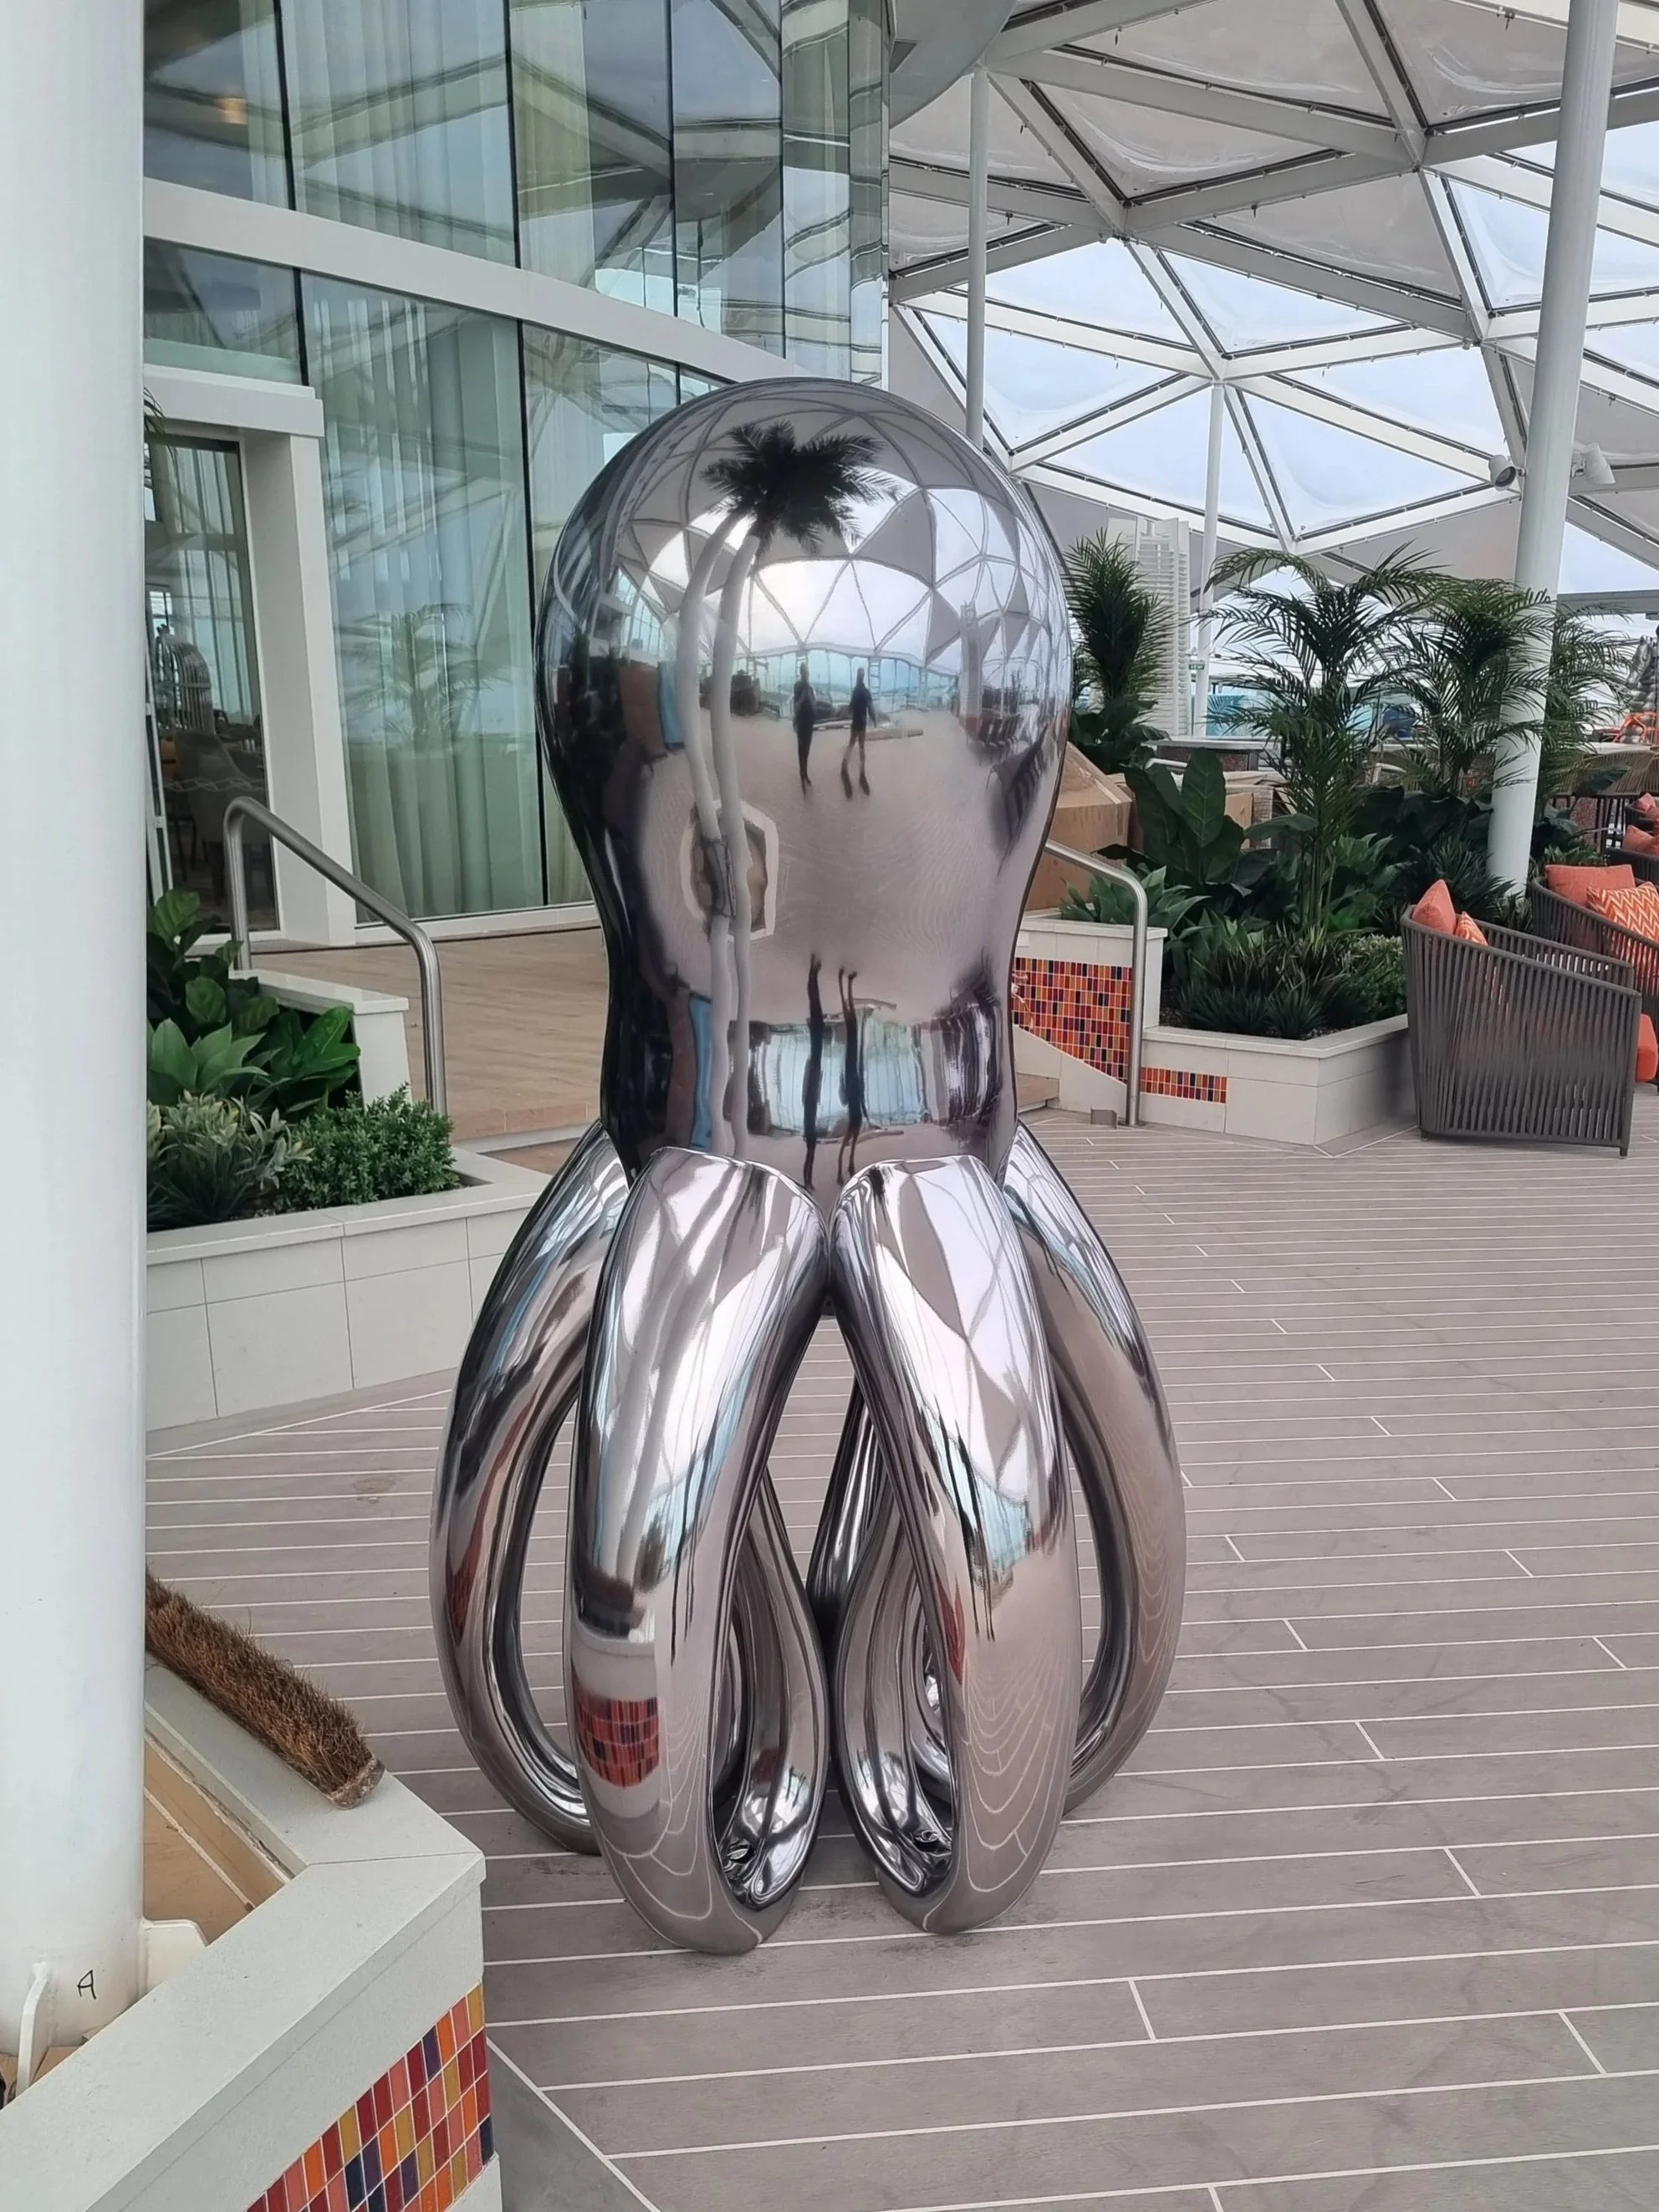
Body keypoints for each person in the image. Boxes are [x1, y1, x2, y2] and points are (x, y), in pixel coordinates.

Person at [842, 665, 873, 798]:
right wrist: (874, 718)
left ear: (858, 677)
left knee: (853, 746)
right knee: (860, 748)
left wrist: (846, 712)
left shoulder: (857, 691)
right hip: (861, 724)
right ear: (863, 677)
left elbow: (851, 707)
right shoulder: (865, 691)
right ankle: (860, 773)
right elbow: (870, 707)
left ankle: (845, 768)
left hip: (857, 724)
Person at [793, 662, 816, 792]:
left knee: (807, 750)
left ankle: (805, 772)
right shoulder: (797, 686)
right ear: (801, 673)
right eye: (804, 672)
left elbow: (814, 707)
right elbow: (796, 706)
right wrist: (803, 697)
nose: (806, 674)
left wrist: (809, 696)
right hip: (801, 722)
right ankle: (802, 774)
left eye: (807, 672)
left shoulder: (810, 688)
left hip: (809, 722)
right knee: (801, 749)